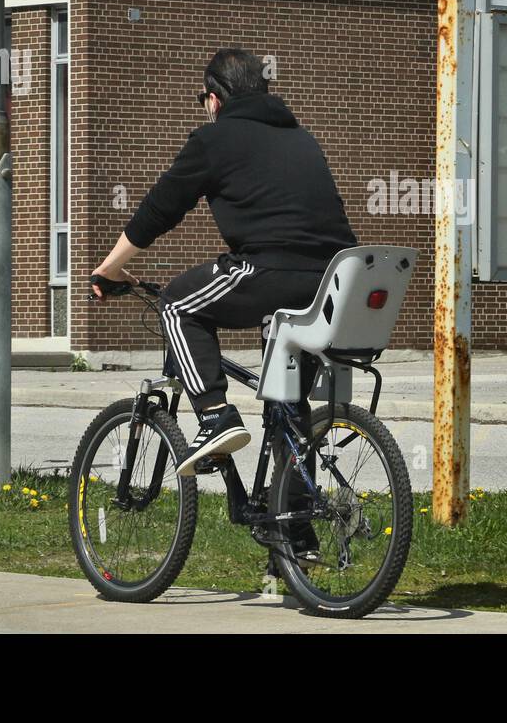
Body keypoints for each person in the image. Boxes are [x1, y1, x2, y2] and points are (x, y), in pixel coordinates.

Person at [90, 48, 357, 475]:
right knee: (286, 407)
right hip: (336, 283)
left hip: (269, 272)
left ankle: (215, 416)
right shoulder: (302, 138)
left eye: (202, 100)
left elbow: (158, 210)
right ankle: (291, 532)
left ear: (214, 99)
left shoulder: (213, 139)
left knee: (178, 303)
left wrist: (108, 269)